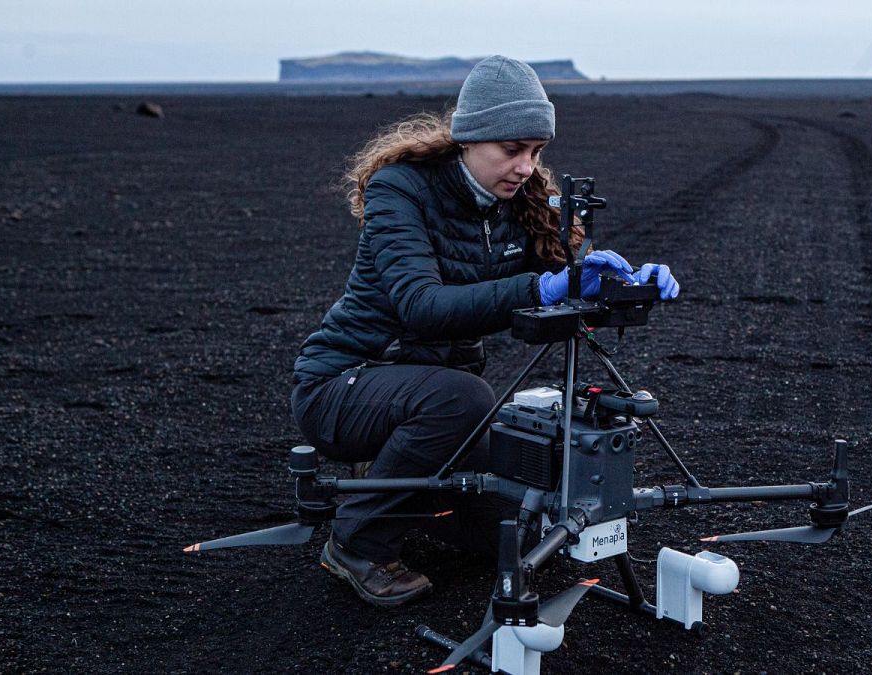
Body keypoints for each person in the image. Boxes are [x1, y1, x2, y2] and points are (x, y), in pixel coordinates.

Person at [290, 55, 679, 607]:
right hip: (343, 385)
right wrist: (538, 289)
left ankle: (389, 482)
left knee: (521, 528)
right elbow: (420, 306)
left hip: (431, 403)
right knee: (466, 398)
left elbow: (575, 270)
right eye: (512, 150)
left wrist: (624, 282)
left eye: (536, 152)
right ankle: (355, 543)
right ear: (470, 138)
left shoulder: (521, 203)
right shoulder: (399, 190)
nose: (525, 166)